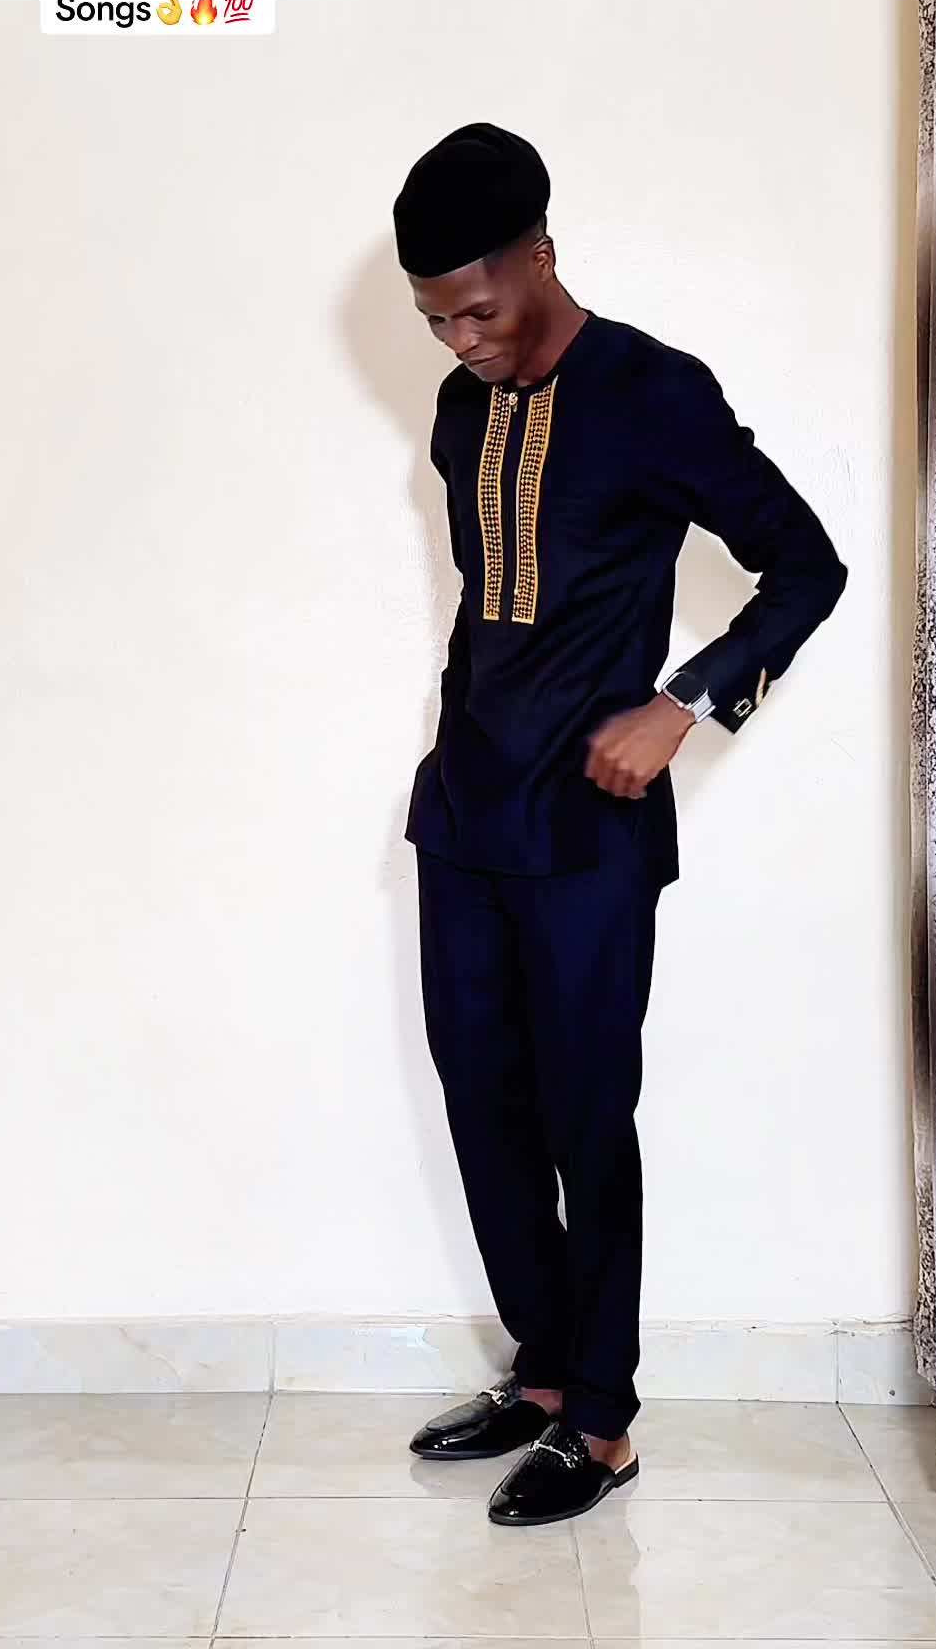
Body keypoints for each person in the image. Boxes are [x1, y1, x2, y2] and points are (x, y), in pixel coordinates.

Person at [391, 123, 848, 1527]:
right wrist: (456, 744)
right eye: (435, 319)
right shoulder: (461, 411)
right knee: (482, 1099)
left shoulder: (655, 392)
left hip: (589, 827)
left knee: (588, 1116)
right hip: (466, 810)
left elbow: (807, 566)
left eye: (478, 308)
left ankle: (602, 1424)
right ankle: (540, 1375)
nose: (460, 341)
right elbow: (488, 608)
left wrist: (683, 705)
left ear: (540, 256)